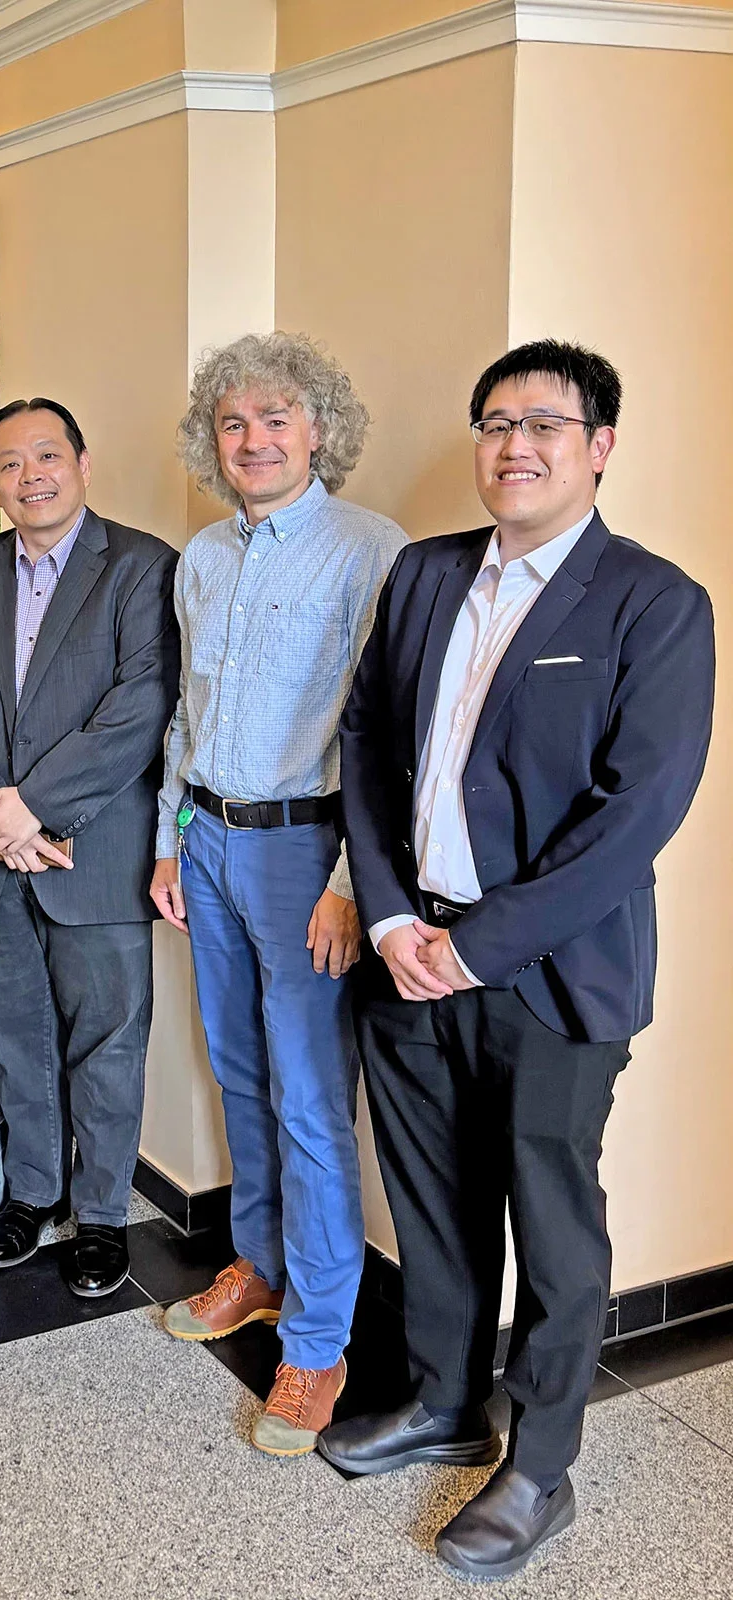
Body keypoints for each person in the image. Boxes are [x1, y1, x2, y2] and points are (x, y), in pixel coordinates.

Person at [326, 341, 714, 1579]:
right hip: (408, 951)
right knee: (432, 1205)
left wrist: (475, 944)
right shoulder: (429, 573)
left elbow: (635, 813)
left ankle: (539, 1464)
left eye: (545, 422)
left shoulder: (655, 602)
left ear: (599, 445)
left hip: (551, 976)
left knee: (552, 1227)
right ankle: (443, 1399)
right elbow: (367, 742)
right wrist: (391, 919)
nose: (514, 444)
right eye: (495, 422)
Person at [150, 333, 408, 1457]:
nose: (249, 440)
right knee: (239, 1072)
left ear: (318, 433)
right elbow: (184, 714)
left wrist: (353, 882)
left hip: (307, 858)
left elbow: (383, 736)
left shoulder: (370, 553)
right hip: (208, 841)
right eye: (231, 423)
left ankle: (316, 1342)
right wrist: (170, 838)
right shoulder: (201, 556)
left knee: (310, 1102)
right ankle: (256, 1264)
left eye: (273, 420)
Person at [0, 398, 179, 1297]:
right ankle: (34, 1192)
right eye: (9, 463)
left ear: (82, 461)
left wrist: (34, 810)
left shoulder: (142, 568)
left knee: (106, 1040)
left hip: (95, 854)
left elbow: (139, 709)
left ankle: (103, 1214)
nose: (30, 476)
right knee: (11, 1035)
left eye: (46, 455)